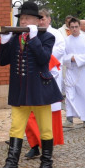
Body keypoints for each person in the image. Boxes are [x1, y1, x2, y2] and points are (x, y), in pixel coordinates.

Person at [0, 1, 65, 168]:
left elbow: (43, 59)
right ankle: (11, 166)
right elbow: (2, 61)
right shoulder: (16, 38)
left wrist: (33, 40)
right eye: (22, 18)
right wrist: (4, 42)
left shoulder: (47, 37)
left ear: (36, 20)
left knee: (45, 129)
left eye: (27, 18)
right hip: (19, 90)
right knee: (15, 128)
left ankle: (47, 163)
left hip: (40, 89)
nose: (23, 21)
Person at [24, 8, 66, 159]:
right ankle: (34, 144)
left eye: (43, 19)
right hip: (32, 77)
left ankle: (47, 145)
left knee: (47, 115)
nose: (41, 21)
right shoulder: (30, 33)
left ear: (49, 20)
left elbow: (58, 51)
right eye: (39, 19)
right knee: (29, 113)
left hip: (49, 75)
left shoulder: (56, 34)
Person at [62, 15, 85, 127]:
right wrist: (70, 59)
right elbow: (63, 56)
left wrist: (76, 58)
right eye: (72, 27)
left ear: (79, 27)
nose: (74, 29)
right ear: (69, 28)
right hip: (71, 70)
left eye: (76, 26)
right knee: (70, 94)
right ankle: (69, 119)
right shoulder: (66, 41)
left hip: (83, 70)